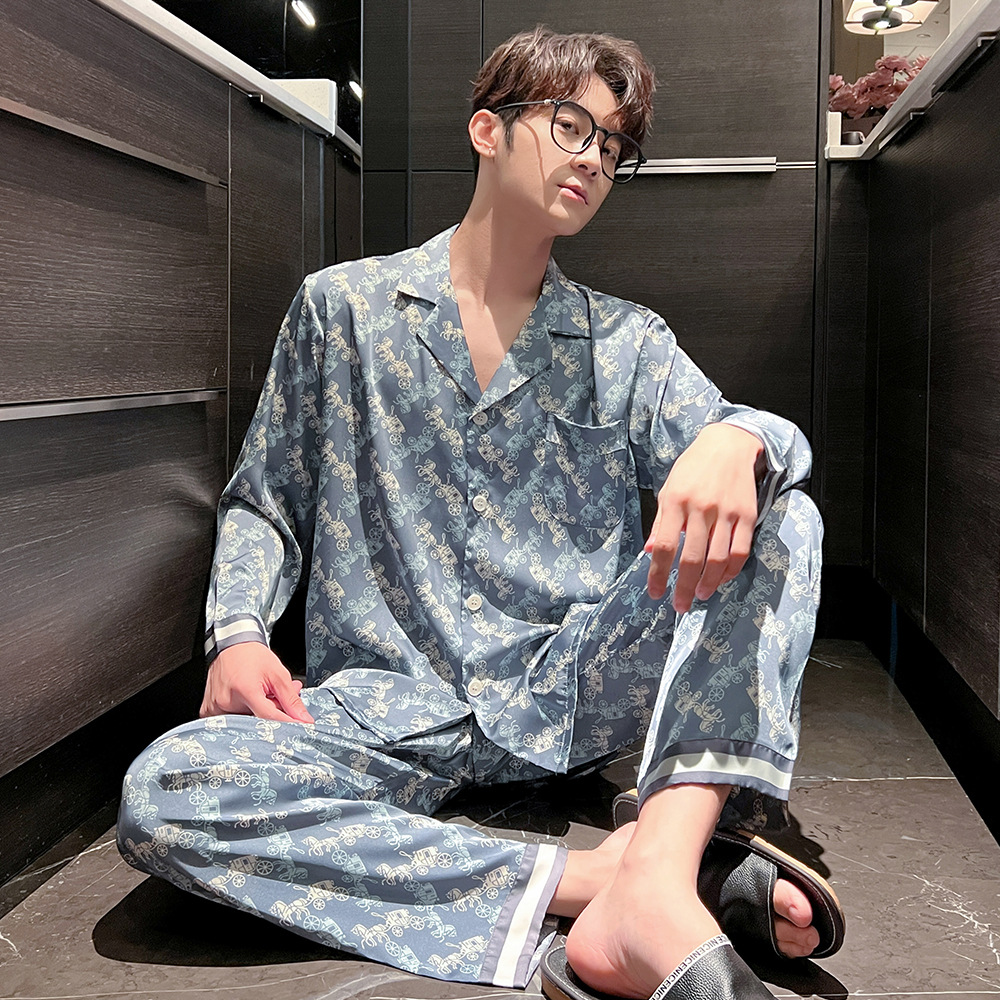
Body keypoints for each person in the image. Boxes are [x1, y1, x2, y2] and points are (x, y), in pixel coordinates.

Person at [117, 25, 836, 1000]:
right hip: (382, 704)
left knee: (780, 516)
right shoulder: (344, 310)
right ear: (488, 129)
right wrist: (238, 633)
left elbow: (753, 468)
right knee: (171, 791)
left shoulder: (626, 342)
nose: (595, 157)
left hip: (569, 690)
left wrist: (738, 437)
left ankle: (660, 871)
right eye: (572, 125)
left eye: (614, 145)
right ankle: (611, 883)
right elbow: (265, 499)